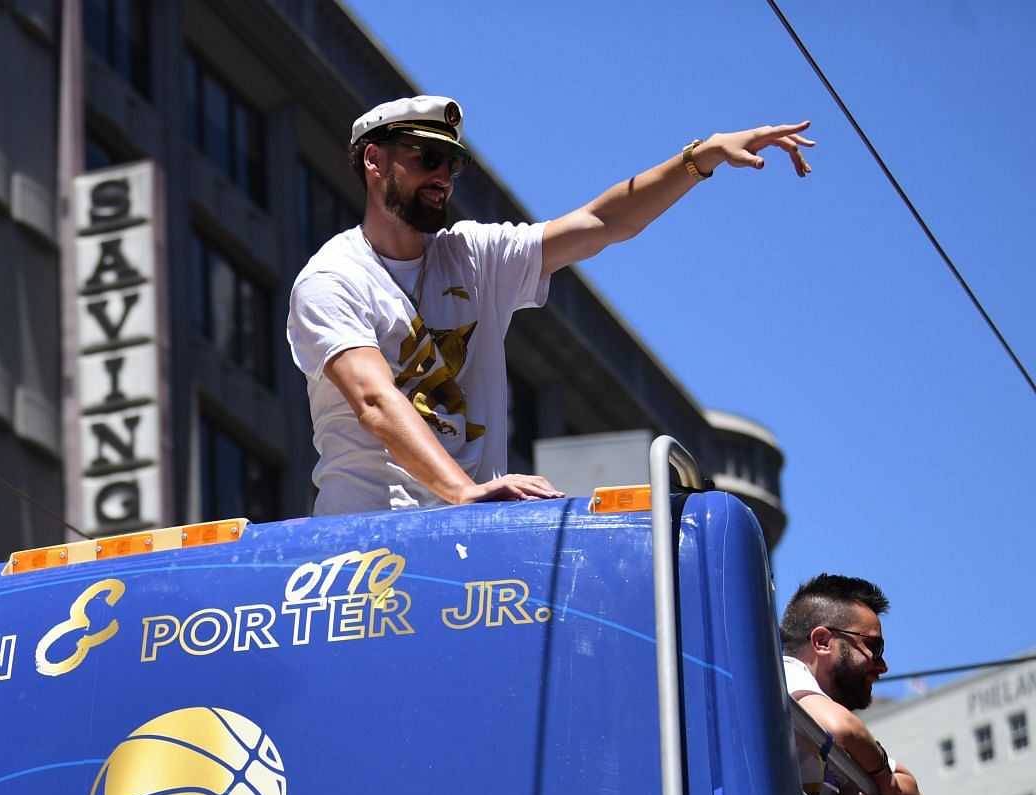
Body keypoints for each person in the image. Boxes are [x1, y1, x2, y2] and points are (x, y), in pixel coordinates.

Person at [287, 96, 812, 515]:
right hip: (366, 547)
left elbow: (604, 222)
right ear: (374, 161)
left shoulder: (473, 257)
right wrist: (463, 491)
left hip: (471, 536)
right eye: (427, 159)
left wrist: (700, 159)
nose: (444, 177)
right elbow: (374, 400)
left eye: (453, 163)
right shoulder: (333, 279)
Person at [778, 573, 923, 795]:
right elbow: (844, 729)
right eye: (874, 647)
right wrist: (877, 778)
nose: (882, 666)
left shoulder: (822, 715)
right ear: (822, 641)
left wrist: (863, 782)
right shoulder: (786, 672)